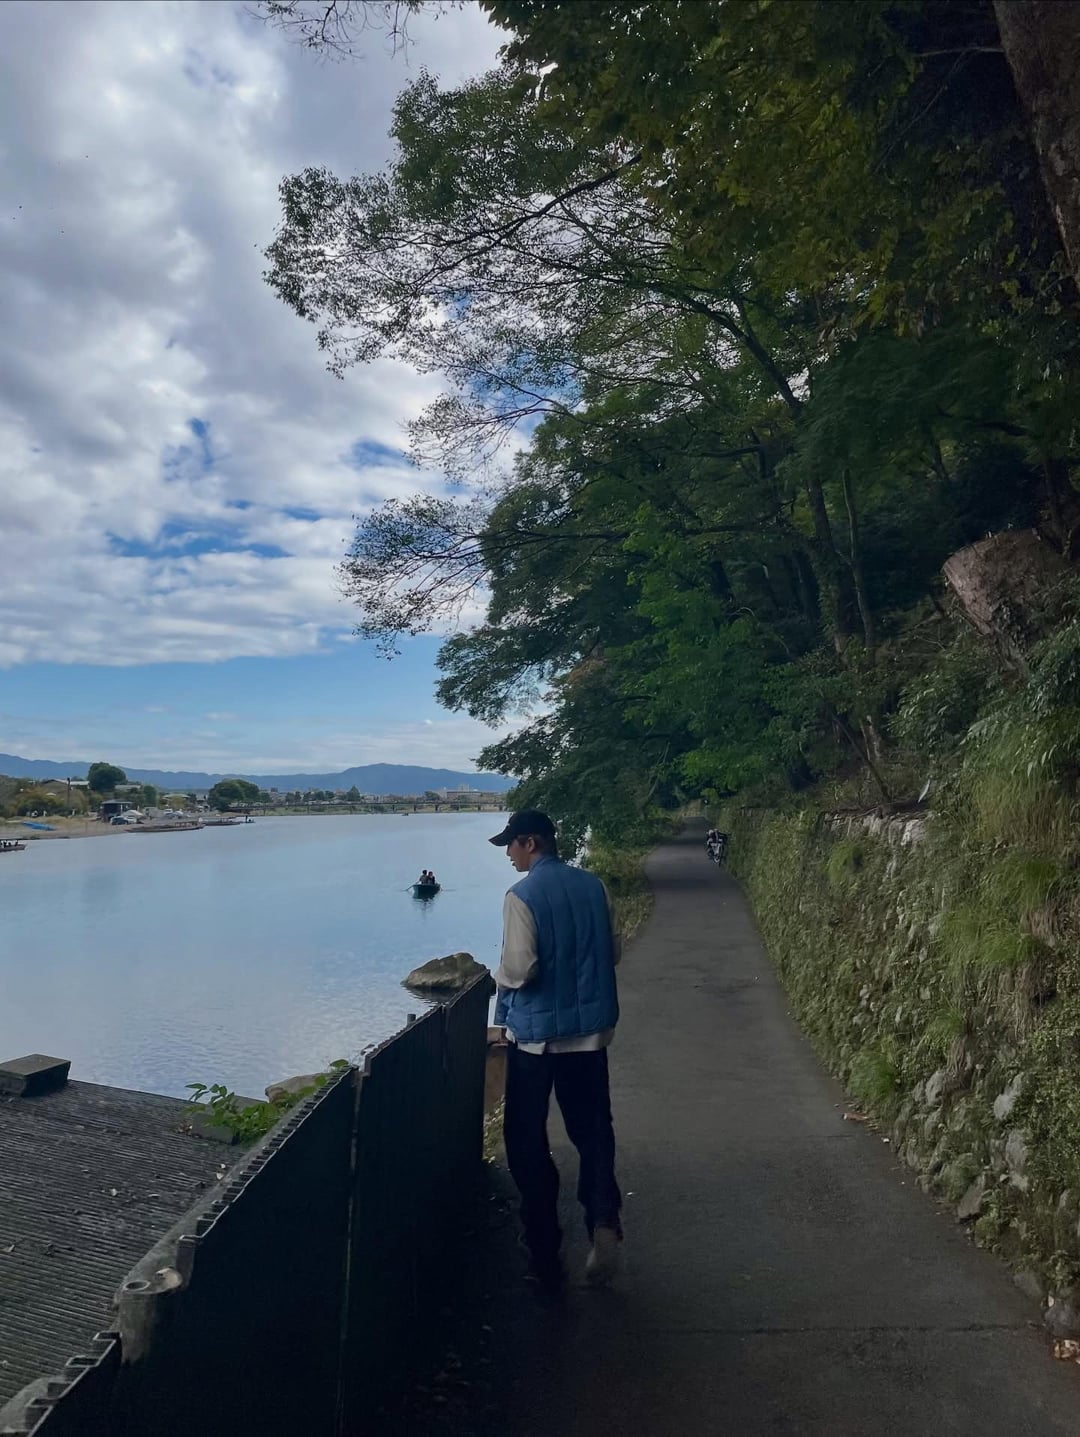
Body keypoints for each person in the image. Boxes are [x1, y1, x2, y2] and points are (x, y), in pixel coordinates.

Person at [489, 809, 623, 1290]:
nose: (508, 854)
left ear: (531, 843)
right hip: (590, 1036)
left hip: (536, 1042)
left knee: (526, 1141)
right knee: (593, 1132)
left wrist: (497, 975)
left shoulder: (521, 895)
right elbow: (612, 952)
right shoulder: (595, 887)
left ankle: (544, 1253)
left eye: (511, 844)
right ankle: (603, 1219)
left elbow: (521, 969)